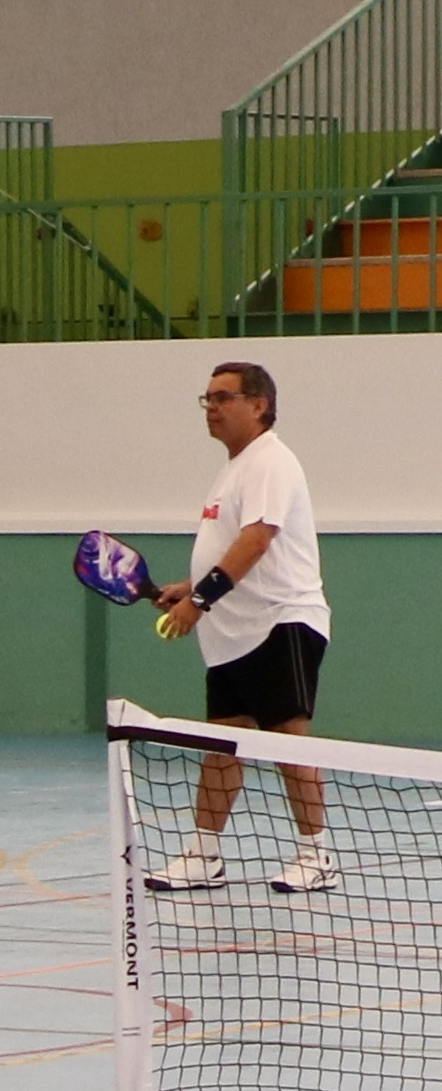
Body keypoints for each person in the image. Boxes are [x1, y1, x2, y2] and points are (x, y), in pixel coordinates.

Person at [147, 361, 336, 895]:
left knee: (288, 739)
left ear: (258, 404)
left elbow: (257, 540)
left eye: (222, 397)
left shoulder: (270, 460)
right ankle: (203, 855)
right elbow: (230, 545)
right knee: (223, 741)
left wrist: (200, 600)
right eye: (206, 398)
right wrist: (190, 586)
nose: (211, 407)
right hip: (233, 632)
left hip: (281, 621)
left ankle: (317, 855)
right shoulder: (233, 469)